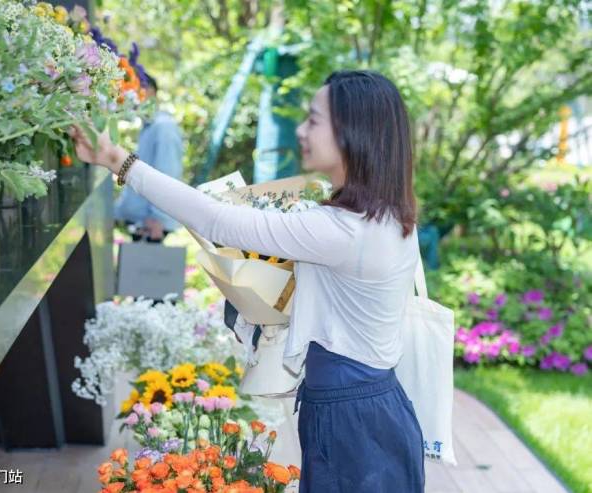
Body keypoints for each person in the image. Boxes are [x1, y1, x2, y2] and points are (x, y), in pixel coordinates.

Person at [72, 70, 425, 492]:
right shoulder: (383, 216)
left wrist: (119, 161)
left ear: (352, 133)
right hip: (368, 412)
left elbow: (215, 220)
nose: (301, 130)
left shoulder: (346, 231)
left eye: (313, 120)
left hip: (353, 424)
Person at [114, 73, 183, 242]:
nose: (125, 96)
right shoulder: (149, 127)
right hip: (143, 223)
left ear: (149, 91)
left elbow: (168, 176)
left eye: (130, 89)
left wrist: (158, 218)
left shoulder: (163, 128)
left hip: (151, 226)